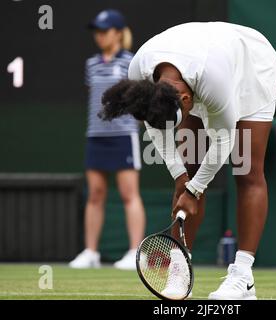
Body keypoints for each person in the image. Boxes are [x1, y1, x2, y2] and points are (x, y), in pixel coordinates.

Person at [100, 22, 276, 299]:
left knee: (246, 170)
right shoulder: (140, 72)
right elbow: (155, 128)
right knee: (189, 168)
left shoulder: (214, 81)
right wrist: (181, 178)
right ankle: (179, 270)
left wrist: (194, 189)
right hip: (201, 56)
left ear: (186, 98)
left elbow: (225, 141)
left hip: (249, 66)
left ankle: (243, 277)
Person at [69, 9, 145, 270]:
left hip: (123, 135)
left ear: (118, 33)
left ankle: (136, 252)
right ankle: (91, 252)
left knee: (129, 194)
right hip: (96, 136)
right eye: (97, 32)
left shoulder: (131, 62)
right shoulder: (91, 64)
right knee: (96, 195)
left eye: (104, 31)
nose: (99, 36)